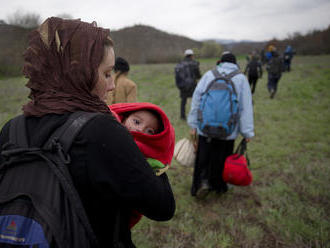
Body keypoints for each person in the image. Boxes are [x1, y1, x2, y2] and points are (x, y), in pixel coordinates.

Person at [0, 17, 175, 248]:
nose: (111, 85)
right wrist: (153, 152)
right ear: (78, 73)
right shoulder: (102, 131)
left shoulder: (12, 128)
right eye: (106, 74)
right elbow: (162, 207)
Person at [187, 51, 254, 199]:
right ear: (235, 63)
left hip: (205, 128)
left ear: (220, 62)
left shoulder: (209, 75)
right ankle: (218, 186)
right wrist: (247, 132)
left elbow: (196, 99)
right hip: (228, 130)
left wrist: (193, 124)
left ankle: (199, 184)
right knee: (222, 157)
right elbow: (245, 107)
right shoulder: (241, 78)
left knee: (203, 156)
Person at [109, 102, 175, 228]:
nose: (140, 130)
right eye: (137, 122)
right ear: (125, 118)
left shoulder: (147, 159)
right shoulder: (106, 130)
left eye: (149, 131)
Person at [175, 49, 201, 120]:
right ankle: (195, 116)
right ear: (192, 56)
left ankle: (182, 116)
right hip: (193, 85)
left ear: (185, 55)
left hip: (183, 86)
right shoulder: (194, 63)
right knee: (196, 101)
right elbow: (198, 75)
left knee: (183, 101)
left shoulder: (180, 64)